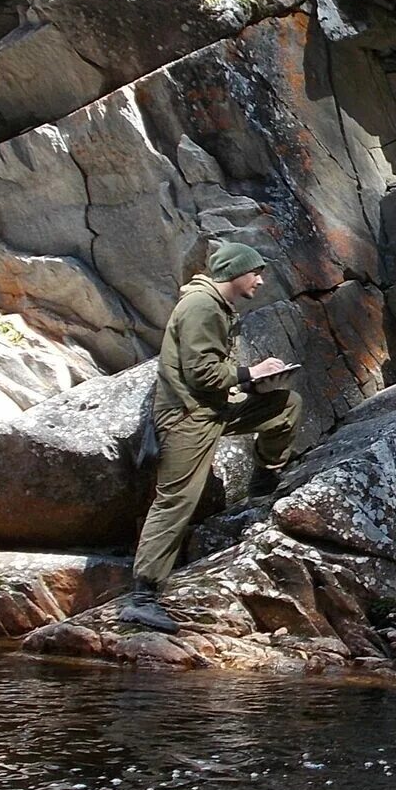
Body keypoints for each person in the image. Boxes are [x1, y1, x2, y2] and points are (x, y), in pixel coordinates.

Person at [120, 242, 300, 634]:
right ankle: (142, 597)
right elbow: (201, 374)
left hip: (213, 409)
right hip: (187, 419)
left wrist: (254, 386)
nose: (261, 279)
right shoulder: (201, 307)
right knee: (176, 502)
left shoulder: (216, 306)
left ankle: (264, 482)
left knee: (285, 405)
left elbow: (211, 375)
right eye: (256, 272)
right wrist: (251, 374)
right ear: (235, 273)